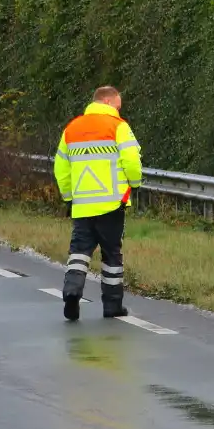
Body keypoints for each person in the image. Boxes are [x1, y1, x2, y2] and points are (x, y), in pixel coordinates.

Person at [53, 86, 143, 321]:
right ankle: (112, 306)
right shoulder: (118, 127)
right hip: (112, 204)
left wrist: (69, 197)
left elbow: (60, 167)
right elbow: (132, 160)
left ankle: (72, 291)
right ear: (106, 101)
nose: (119, 110)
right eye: (117, 105)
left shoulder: (72, 128)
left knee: (79, 252)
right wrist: (134, 183)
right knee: (112, 255)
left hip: (82, 205)